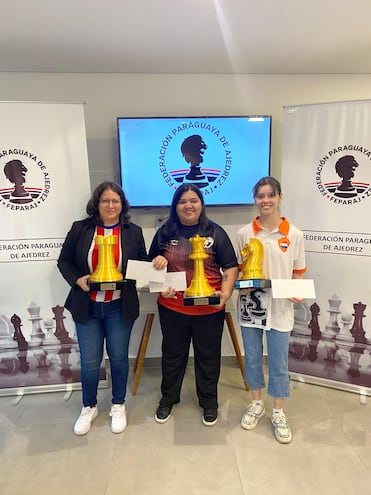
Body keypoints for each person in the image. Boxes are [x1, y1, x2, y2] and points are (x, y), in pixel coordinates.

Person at [57, 181, 148, 435]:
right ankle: (89, 406)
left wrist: (156, 264)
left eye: (115, 200)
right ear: (96, 204)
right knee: (90, 362)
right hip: (88, 307)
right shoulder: (80, 229)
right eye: (105, 200)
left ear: (122, 204)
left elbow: (141, 263)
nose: (111, 205)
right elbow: (64, 261)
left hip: (120, 306)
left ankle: (118, 405)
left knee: (119, 358)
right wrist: (77, 279)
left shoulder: (133, 231)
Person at [149, 183, 238, 426]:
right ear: (175, 206)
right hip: (173, 307)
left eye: (193, 200)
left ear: (201, 204)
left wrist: (226, 293)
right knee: (172, 355)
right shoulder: (165, 233)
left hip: (209, 309)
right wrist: (158, 268)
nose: (188, 205)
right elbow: (150, 266)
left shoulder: (215, 232)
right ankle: (168, 399)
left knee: (208, 357)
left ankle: (209, 402)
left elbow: (230, 266)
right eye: (182, 201)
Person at [236, 176, 306, 444]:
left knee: (278, 362)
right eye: (260, 196)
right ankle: (256, 404)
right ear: (255, 199)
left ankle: (278, 411)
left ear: (279, 198)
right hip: (251, 308)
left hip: (280, 309)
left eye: (270, 195)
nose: (265, 201)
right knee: (252, 358)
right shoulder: (244, 233)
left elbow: (298, 274)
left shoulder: (294, 234)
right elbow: (239, 271)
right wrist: (240, 286)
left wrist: (297, 291)